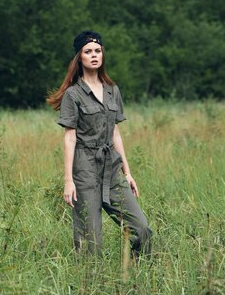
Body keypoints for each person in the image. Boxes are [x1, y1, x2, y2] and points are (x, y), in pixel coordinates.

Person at [47, 30, 152, 257]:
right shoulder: (73, 95)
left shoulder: (112, 91)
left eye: (97, 51)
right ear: (79, 58)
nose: (94, 55)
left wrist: (128, 172)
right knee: (90, 242)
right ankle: (88, 286)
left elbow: (115, 134)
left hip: (112, 170)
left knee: (142, 229)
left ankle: (134, 274)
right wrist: (68, 180)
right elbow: (69, 137)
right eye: (88, 52)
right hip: (85, 170)